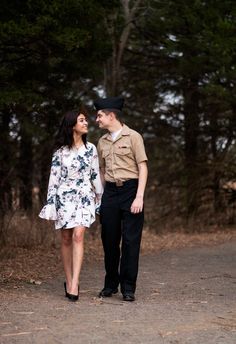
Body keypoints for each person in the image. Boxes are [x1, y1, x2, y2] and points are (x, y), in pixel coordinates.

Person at [39, 108, 103, 302]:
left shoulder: (91, 149)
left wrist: (100, 197)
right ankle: (68, 280)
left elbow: (95, 175)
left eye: (85, 120)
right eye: (82, 120)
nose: (86, 123)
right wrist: (51, 203)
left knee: (78, 235)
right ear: (72, 125)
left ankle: (75, 283)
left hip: (84, 197)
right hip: (64, 198)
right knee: (66, 238)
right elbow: (54, 180)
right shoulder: (60, 152)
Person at [94, 96, 148, 302]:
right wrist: (101, 195)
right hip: (110, 194)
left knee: (131, 242)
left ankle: (128, 287)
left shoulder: (133, 137)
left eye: (100, 116)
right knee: (109, 240)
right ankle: (110, 285)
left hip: (131, 190)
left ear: (111, 115)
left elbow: (143, 167)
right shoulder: (102, 141)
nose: (97, 120)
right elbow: (101, 168)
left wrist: (139, 197)